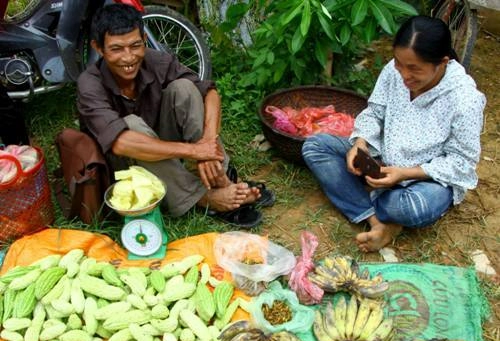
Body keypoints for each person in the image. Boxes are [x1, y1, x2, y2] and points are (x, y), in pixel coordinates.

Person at [77, 4, 274, 228]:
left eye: (135, 45)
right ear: (99, 48)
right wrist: (194, 151)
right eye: (116, 49)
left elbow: (210, 92)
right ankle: (204, 198)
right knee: (130, 126)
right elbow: (121, 144)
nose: (129, 57)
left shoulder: (155, 60)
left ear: (143, 38)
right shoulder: (89, 84)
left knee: (185, 89)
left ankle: (220, 177)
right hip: (122, 165)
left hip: (161, 145)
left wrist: (208, 144)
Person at [302, 15, 486, 253]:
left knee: (411, 207)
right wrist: (361, 143)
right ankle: (378, 222)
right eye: (399, 63)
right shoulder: (394, 71)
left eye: (414, 69)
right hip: (383, 161)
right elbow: (374, 112)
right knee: (316, 146)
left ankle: (374, 204)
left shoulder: (465, 100)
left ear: (442, 62)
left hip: (425, 181)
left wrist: (404, 174)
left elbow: (462, 162)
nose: (404, 75)